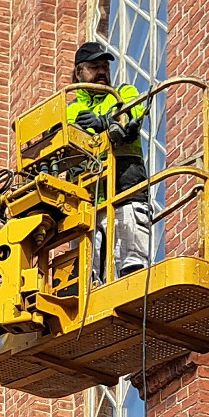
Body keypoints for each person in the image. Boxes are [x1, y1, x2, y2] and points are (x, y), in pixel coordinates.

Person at [65, 40, 155, 278]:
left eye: (105, 66)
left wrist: (103, 122)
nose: (102, 72)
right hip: (86, 204)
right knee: (86, 280)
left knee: (132, 270)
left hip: (126, 193)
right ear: (79, 72)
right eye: (95, 66)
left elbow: (132, 113)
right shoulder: (67, 110)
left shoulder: (122, 93)